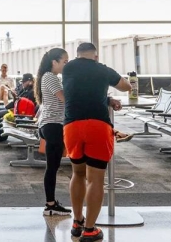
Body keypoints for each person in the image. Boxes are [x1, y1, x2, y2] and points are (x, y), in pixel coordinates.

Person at [62, 42, 132, 242]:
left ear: (77, 55)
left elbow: (81, 89)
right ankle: (90, 229)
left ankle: (77, 222)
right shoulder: (102, 69)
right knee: (96, 179)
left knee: (77, 174)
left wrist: (106, 98)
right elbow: (126, 86)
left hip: (72, 126)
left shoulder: (68, 68)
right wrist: (110, 92)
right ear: (95, 55)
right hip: (98, 125)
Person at [34, 48, 72, 216]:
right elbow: (66, 98)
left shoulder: (50, 77)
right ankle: (50, 205)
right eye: (64, 61)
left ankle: (51, 203)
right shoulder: (50, 77)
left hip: (51, 124)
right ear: (54, 62)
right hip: (53, 125)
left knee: (53, 166)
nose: (67, 64)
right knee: (52, 167)